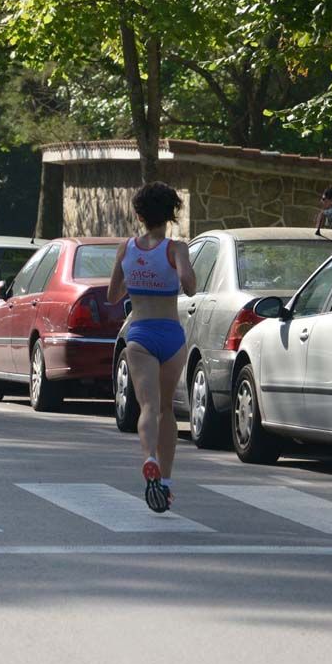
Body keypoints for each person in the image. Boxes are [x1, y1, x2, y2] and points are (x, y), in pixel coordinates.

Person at [107, 182, 196, 513]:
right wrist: (178, 269)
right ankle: (167, 482)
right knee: (166, 409)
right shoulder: (176, 249)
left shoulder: (126, 248)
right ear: (171, 214)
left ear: (138, 215)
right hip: (171, 335)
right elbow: (190, 286)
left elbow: (112, 296)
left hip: (140, 334)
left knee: (147, 406)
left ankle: (150, 458)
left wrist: (137, 280)